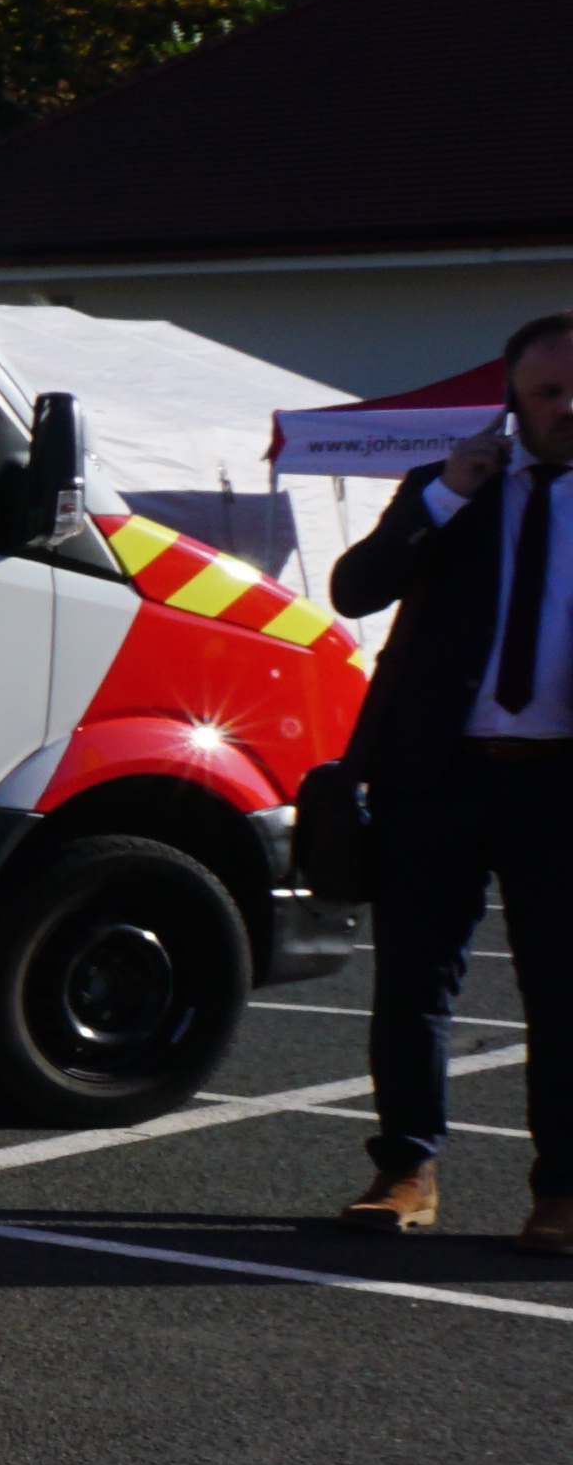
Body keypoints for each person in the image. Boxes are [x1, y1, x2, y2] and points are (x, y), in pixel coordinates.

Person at [324, 311, 573, 1249]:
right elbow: (354, 591)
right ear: (511, 399)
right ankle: (405, 1170)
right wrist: (447, 499)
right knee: (414, 983)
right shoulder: (448, 488)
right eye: (547, 391)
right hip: (437, 777)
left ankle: (562, 1191)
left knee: (564, 993)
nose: (567, 407)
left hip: (561, 786)